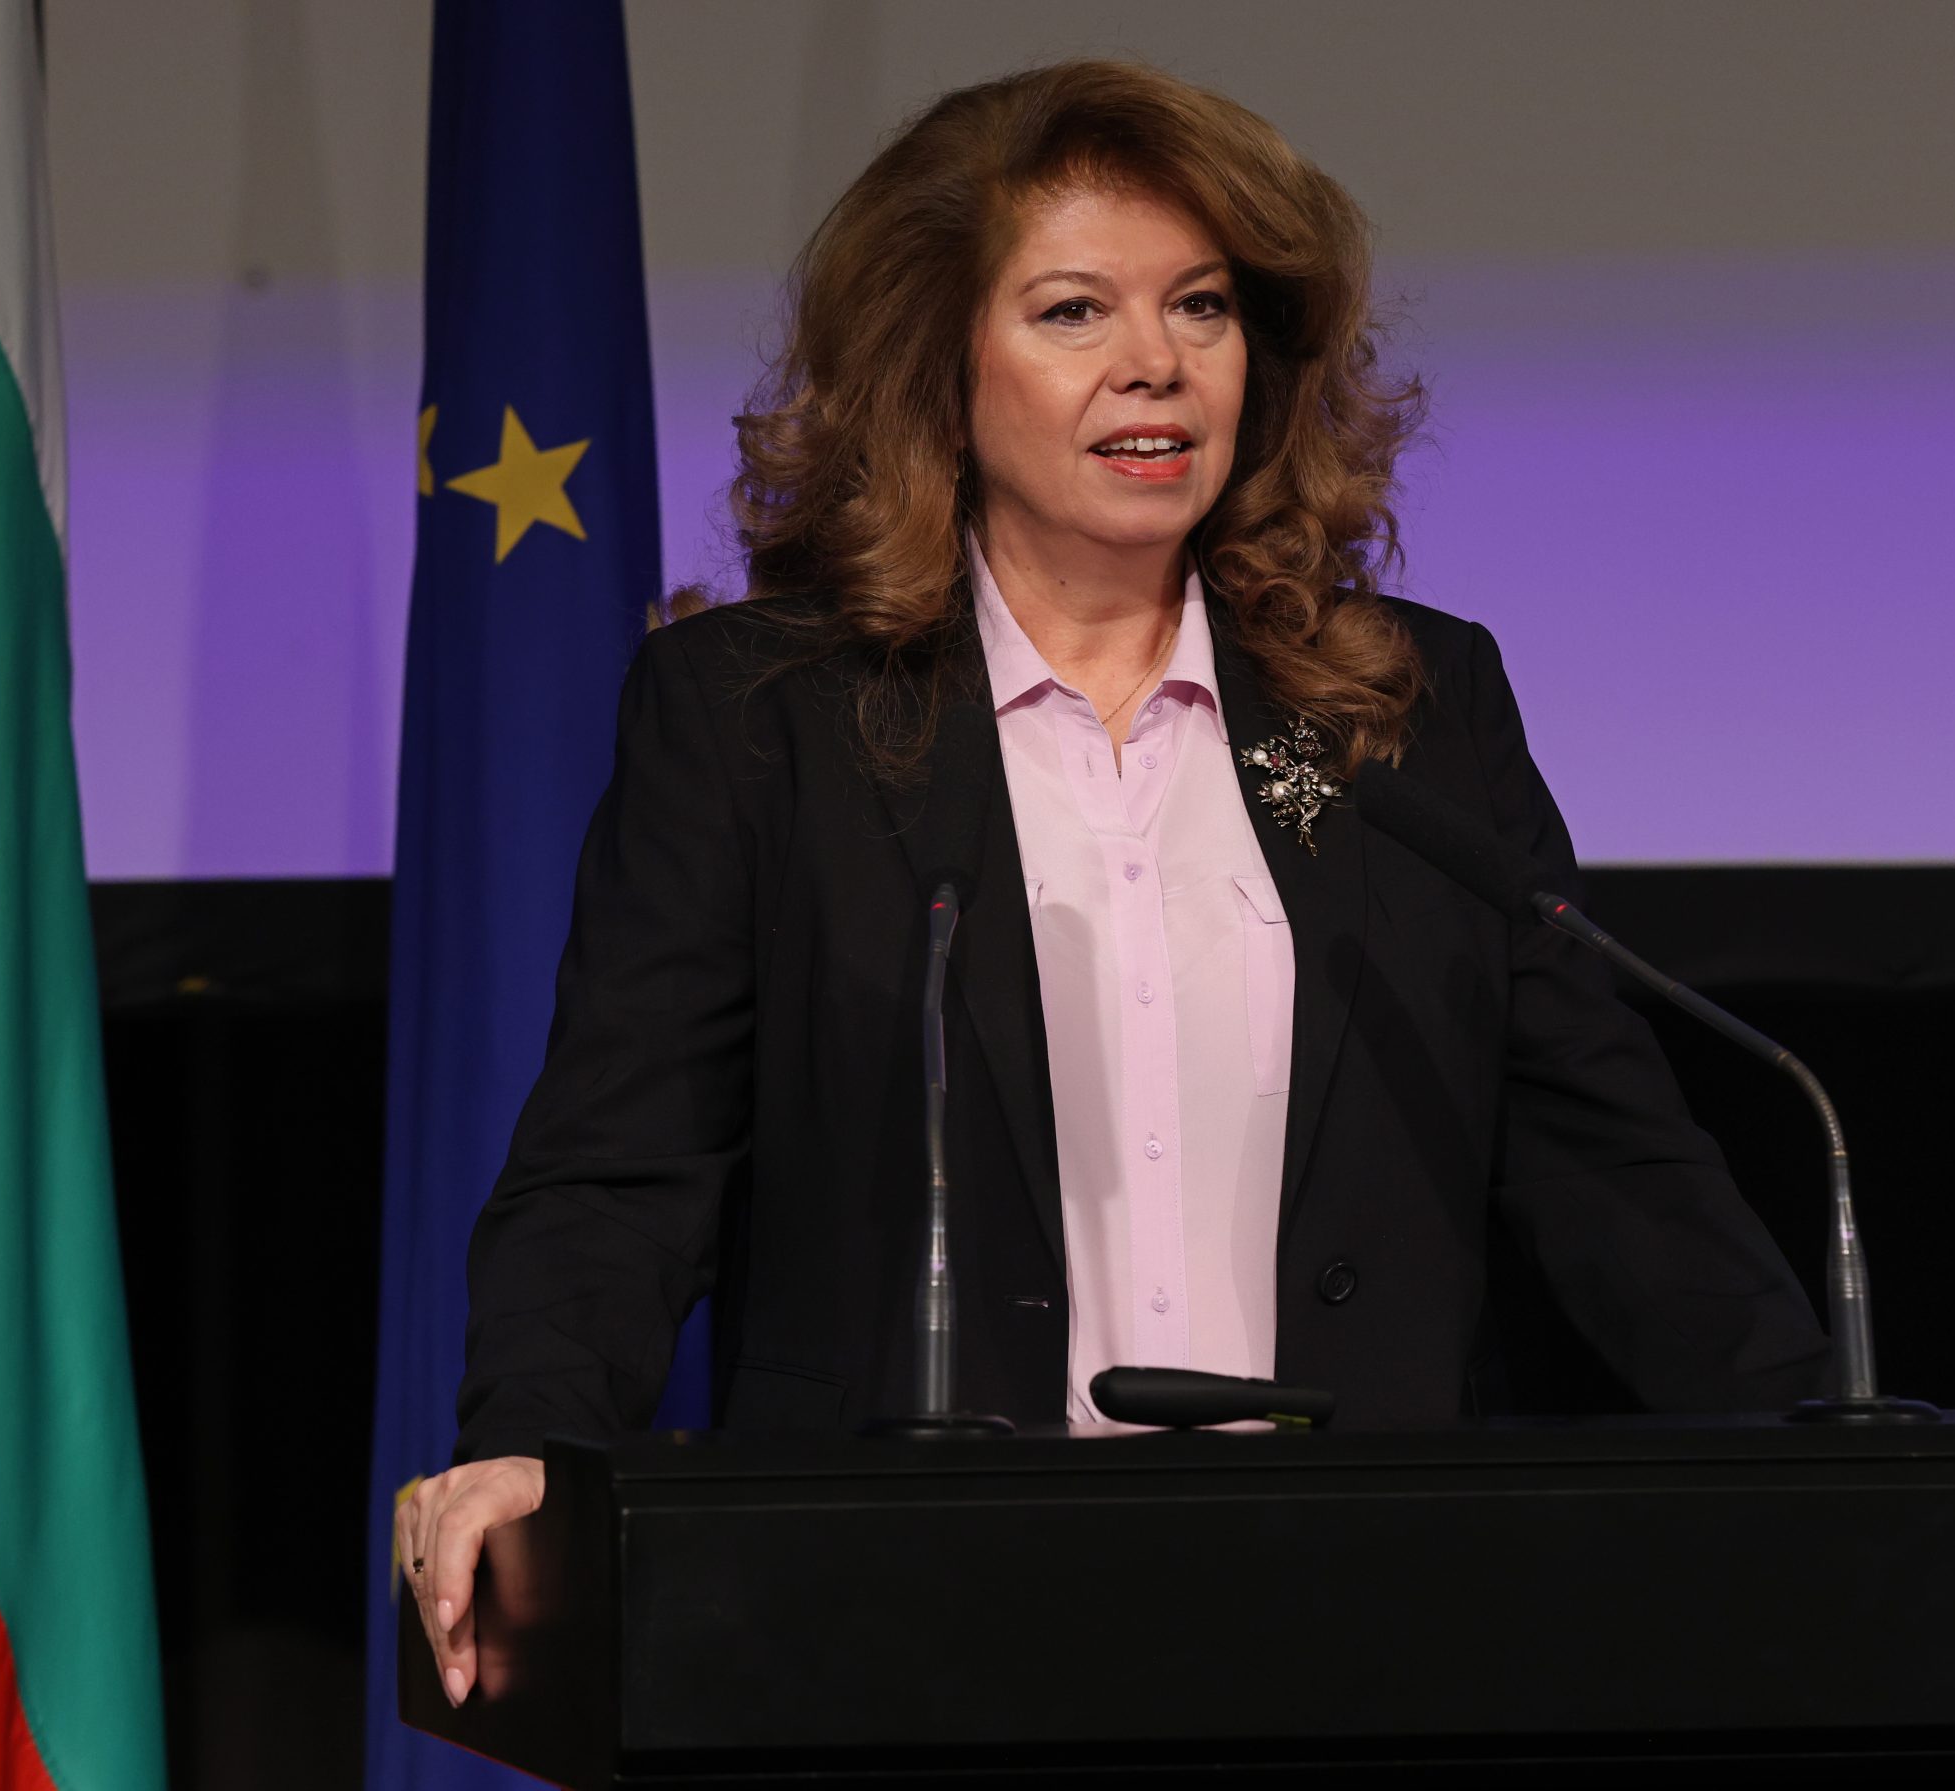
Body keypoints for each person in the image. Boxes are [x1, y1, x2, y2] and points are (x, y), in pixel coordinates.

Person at [397, 58, 1828, 1705]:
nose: (1156, 361)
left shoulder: (1405, 708)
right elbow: (620, 1163)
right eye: (1074, 310)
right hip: (903, 1621)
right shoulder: (762, 721)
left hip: (1363, 1617)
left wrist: (1827, 1448)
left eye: (1201, 306)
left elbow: (1612, 1162)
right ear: (938, 362)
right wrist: (530, 1440)